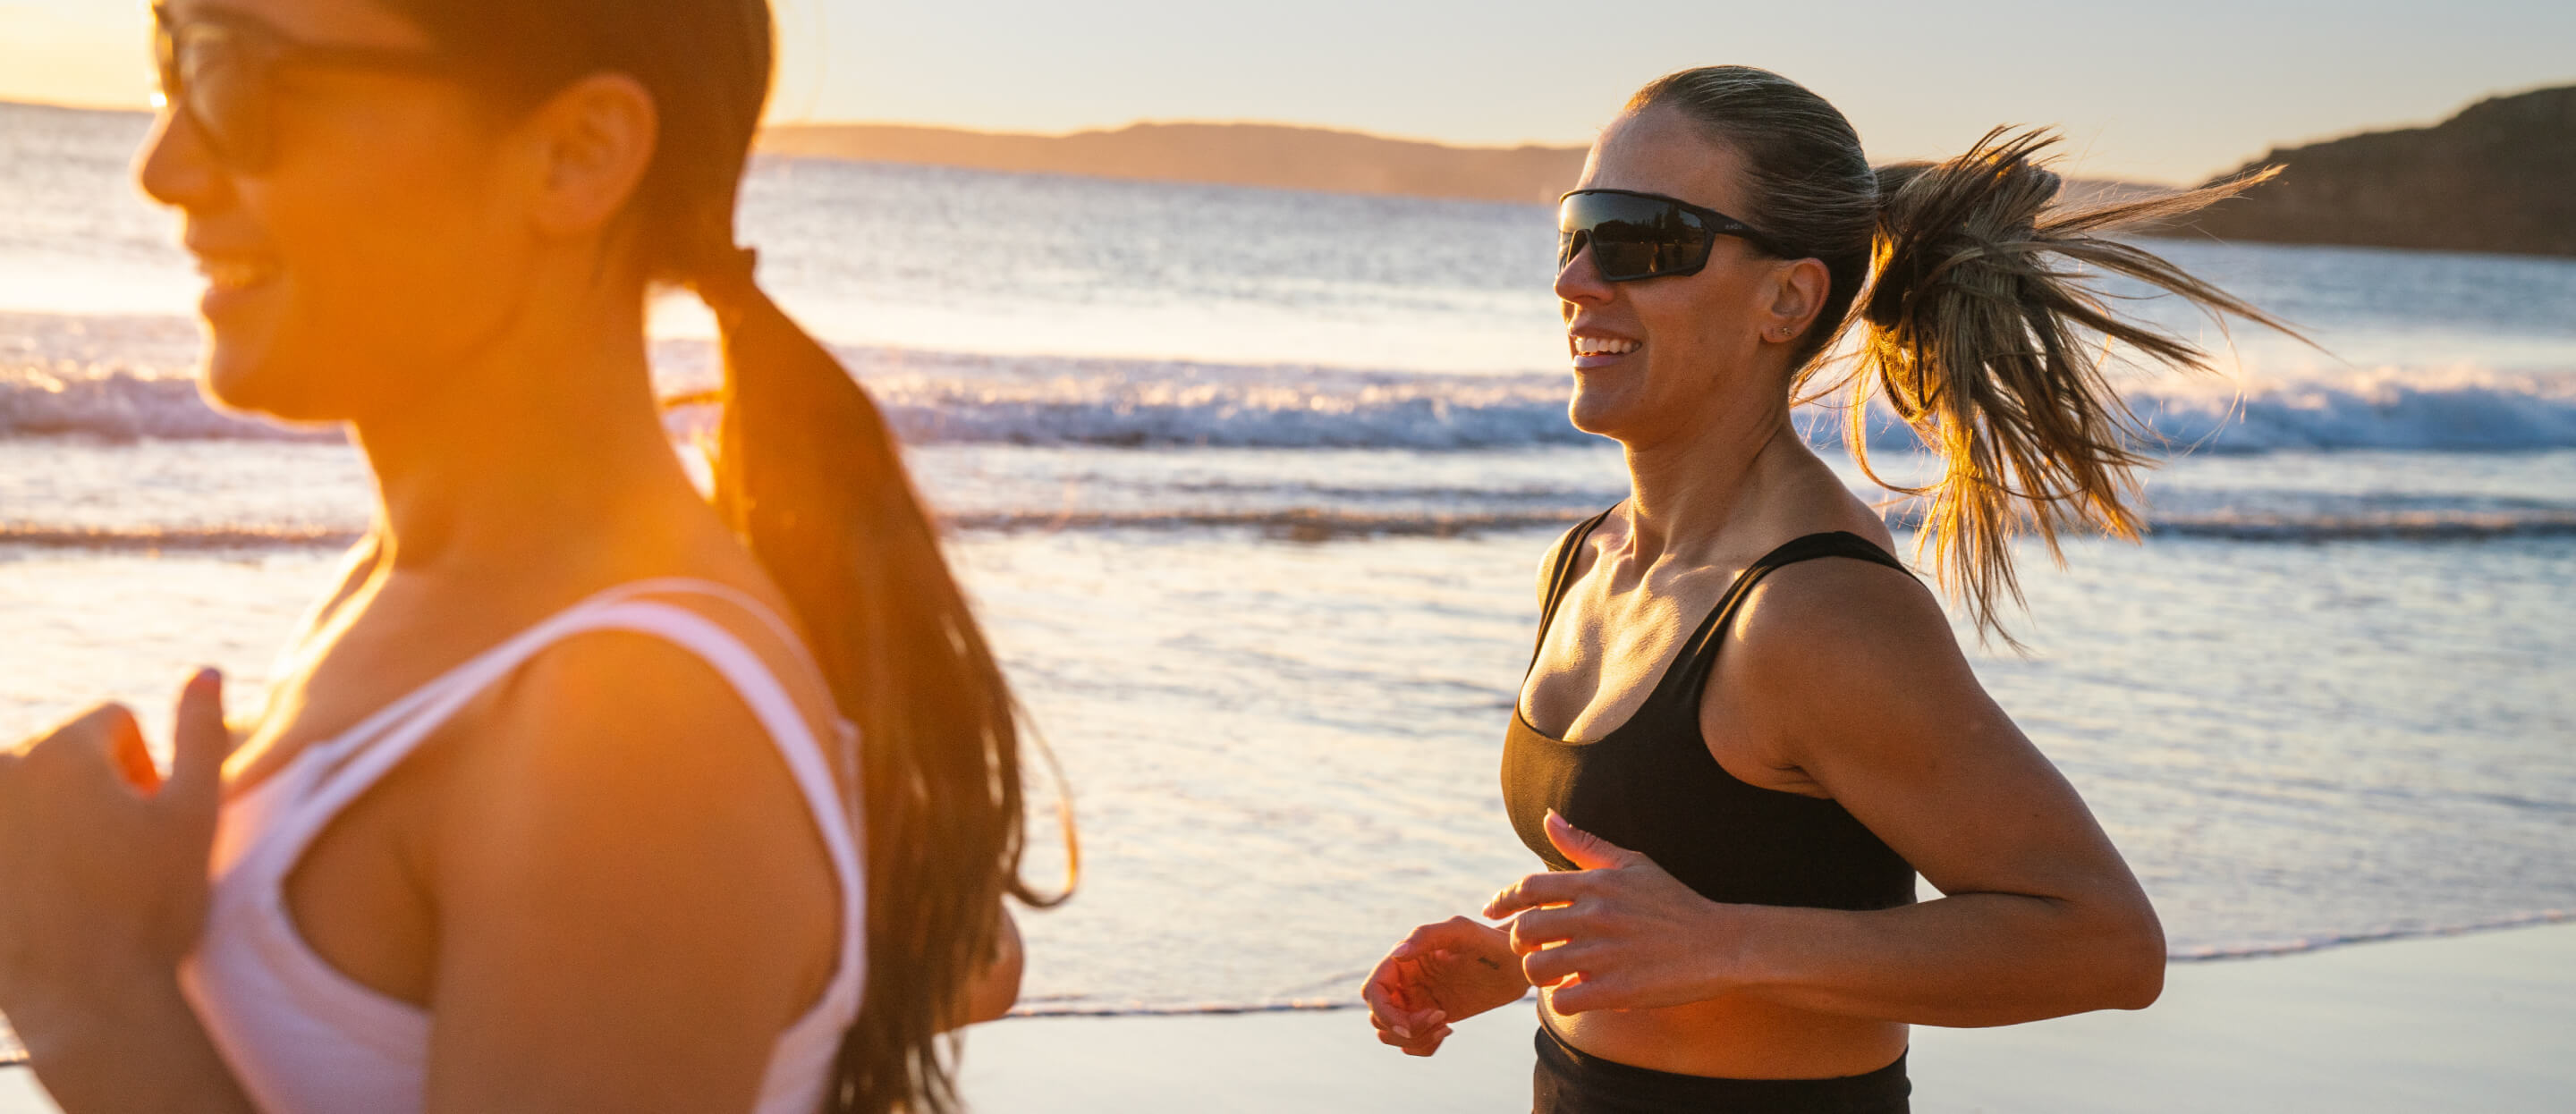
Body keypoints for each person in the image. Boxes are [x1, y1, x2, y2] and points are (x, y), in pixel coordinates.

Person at [0, 0, 1066, 1110]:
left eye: (237, 74)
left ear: (577, 154)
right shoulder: (409, 596)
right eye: (171, 56)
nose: (163, 167)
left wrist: (90, 988)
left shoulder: (638, 726)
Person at [1361, 65, 2295, 1113]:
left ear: (1788, 298)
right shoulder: (1590, 557)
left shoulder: (1816, 613)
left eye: (1639, 237)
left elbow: (2104, 941)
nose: (1576, 281)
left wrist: (1727, 944)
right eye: (1575, 230)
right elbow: (1715, 885)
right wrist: (1524, 955)